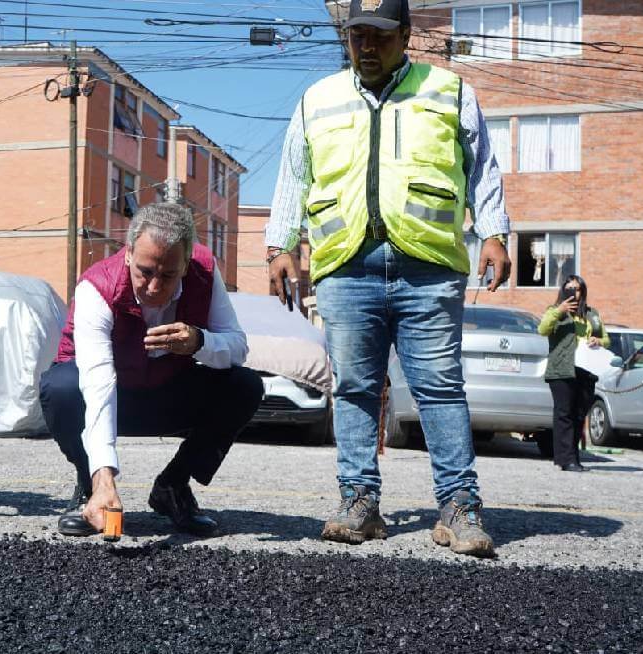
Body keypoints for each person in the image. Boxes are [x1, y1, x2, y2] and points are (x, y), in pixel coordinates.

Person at [265, 0, 511, 557]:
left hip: (428, 266)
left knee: (440, 387)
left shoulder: (448, 91)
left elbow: (482, 168)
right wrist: (281, 244)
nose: (366, 48)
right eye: (356, 37)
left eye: (379, 36)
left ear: (405, 36)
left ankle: (459, 504)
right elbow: (293, 174)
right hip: (346, 266)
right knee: (353, 389)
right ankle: (360, 502)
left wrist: (494, 231)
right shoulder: (317, 99)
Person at [39, 203, 262, 538]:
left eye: (168, 275)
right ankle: (91, 489)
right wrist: (105, 476)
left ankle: (173, 487)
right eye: (145, 271)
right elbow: (97, 382)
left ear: (186, 262)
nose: (154, 287)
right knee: (61, 387)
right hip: (106, 398)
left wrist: (198, 341)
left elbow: (237, 348)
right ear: (128, 254)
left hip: (167, 394)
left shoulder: (205, 270)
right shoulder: (96, 289)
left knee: (244, 385)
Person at [537, 275, 609, 472]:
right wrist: (560, 311)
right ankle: (565, 459)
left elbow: (606, 339)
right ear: (563, 291)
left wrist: (599, 342)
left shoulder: (591, 314)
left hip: (586, 370)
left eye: (577, 289)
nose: (574, 293)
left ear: (583, 291)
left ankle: (572, 457)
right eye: (569, 289)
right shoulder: (554, 312)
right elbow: (543, 329)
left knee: (579, 415)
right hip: (561, 369)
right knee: (564, 414)